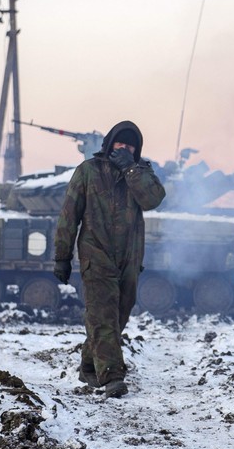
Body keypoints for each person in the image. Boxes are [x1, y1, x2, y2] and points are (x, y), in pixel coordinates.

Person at [53, 121, 166, 398]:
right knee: (102, 314)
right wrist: (62, 257)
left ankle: (90, 364)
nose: (124, 149)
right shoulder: (88, 171)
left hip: (128, 257)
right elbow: (69, 215)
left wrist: (131, 168)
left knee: (119, 314)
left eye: (130, 146)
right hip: (96, 253)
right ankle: (112, 376)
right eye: (120, 144)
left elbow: (154, 199)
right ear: (109, 144)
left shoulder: (140, 173)